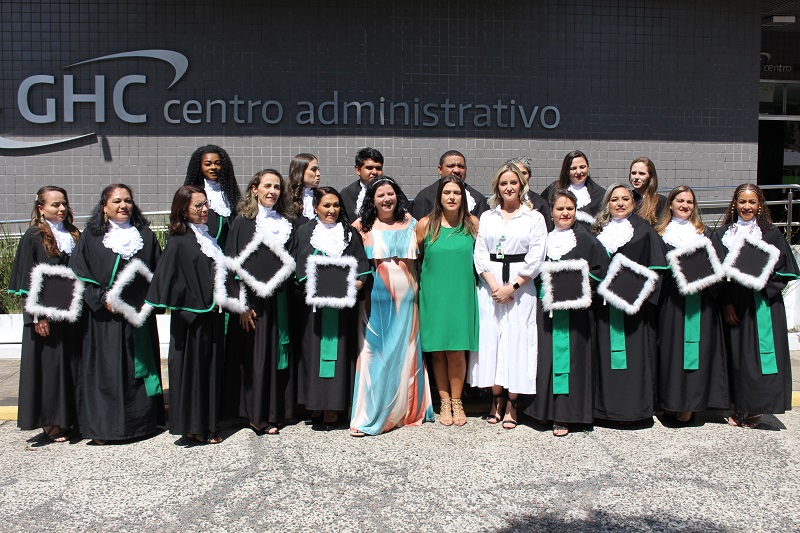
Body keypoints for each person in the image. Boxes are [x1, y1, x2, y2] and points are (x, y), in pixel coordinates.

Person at [70, 184, 164, 444]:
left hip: (137, 316)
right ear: (104, 207)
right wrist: (101, 298)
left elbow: (158, 272)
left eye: (128, 200)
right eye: (117, 201)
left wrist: (149, 301)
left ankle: (142, 425)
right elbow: (79, 273)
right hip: (104, 318)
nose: (124, 205)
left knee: (138, 368)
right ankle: (104, 429)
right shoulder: (91, 237)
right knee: (107, 371)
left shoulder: (145, 235)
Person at [350, 177, 435, 436]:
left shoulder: (413, 224)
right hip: (374, 302)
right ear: (372, 200)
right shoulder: (360, 227)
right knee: (373, 357)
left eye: (391, 194)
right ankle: (369, 415)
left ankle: (406, 411)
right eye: (380, 195)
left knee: (405, 355)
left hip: (408, 302)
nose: (387, 199)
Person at [521, 189, 609, 436]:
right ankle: (542, 412)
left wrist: (577, 282)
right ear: (551, 212)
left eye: (570, 208)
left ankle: (566, 415)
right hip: (545, 312)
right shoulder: (542, 239)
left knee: (572, 362)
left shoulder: (587, 240)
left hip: (575, 315)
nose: (565, 213)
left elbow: (602, 272)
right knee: (545, 359)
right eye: (560, 208)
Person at [145, 186, 225, 444]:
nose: (204, 210)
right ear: (183, 210)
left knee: (209, 371)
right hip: (191, 321)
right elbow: (167, 281)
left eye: (205, 204)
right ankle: (194, 427)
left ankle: (209, 424)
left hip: (212, 315)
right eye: (197, 205)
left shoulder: (208, 237)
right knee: (193, 373)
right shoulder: (178, 242)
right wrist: (192, 307)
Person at [470, 163, 547, 430]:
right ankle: (496, 399)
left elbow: (536, 256)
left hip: (520, 288)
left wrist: (511, 287)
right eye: (504, 183)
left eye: (513, 182)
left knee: (517, 342)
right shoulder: (488, 216)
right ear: (497, 187)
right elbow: (480, 253)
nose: (509, 187)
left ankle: (514, 402)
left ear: (522, 185)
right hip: (490, 286)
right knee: (492, 340)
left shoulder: (533, 218)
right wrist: (495, 286)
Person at [715, 184, 799, 428]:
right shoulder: (722, 235)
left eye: (752, 202)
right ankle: (737, 405)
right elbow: (716, 273)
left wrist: (763, 283)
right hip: (734, 304)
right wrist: (726, 303)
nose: (747, 206)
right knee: (737, 356)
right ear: (734, 204)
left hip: (763, 304)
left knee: (758, 359)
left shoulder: (771, 235)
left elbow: (785, 272)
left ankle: (755, 408)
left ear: (760, 205)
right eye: (742, 201)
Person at [224, 169, 296, 435]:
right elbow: (231, 265)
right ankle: (257, 416)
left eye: (277, 187)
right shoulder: (242, 223)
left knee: (277, 356)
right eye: (267, 186)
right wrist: (242, 306)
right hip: (253, 303)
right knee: (256, 358)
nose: (272, 191)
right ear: (254, 189)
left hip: (280, 300)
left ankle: (275, 413)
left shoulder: (287, 222)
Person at [294, 186, 371, 430]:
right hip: (314, 310)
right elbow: (299, 265)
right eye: (326, 205)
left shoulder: (349, 233)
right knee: (313, 355)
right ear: (316, 207)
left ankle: (334, 408)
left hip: (342, 310)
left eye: (336, 205)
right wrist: (314, 286)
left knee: (339, 356)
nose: (332, 210)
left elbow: (362, 265)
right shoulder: (305, 231)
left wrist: (359, 282)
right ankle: (316, 405)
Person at [8, 186, 81, 443]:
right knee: (50, 369)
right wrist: (37, 317)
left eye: (64, 204)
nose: (61, 209)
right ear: (41, 208)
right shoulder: (34, 236)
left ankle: (68, 418)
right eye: (55, 205)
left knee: (68, 366)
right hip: (45, 315)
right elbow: (27, 278)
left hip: (70, 313)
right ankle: (51, 422)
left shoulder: (73, 234)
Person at [592, 183, 667, 423]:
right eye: (615, 199)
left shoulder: (644, 230)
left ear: (633, 202)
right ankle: (604, 411)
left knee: (634, 360)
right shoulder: (598, 230)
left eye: (625, 198)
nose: (620, 203)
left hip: (634, 311)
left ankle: (632, 411)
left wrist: (636, 294)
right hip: (604, 309)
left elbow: (657, 268)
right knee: (604, 357)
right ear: (608, 203)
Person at [654, 186, 729, 424]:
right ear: (670, 204)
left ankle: (689, 405)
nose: (684, 205)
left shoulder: (705, 234)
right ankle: (671, 401)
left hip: (700, 304)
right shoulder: (659, 234)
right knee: (671, 352)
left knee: (698, 352)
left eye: (689, 202)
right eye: (680, 201)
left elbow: (719, 269)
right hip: (672, 304)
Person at [416, 176, 480, 426]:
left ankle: (457, 400)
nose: (452, 197)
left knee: (456, 352)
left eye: (456, 192)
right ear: (439, 197)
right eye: (447, 193)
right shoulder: (425, 224)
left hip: (461, 295)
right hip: (433, 295)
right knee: (438, 351)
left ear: (463, 197)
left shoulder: (472, 224)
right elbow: (414, 258)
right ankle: (443, 401)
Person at [183, 145, 241, 249]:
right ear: (200, 167)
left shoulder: (231, 193)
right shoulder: (194, 193)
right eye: (208, 164)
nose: (213, 167)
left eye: (217, 163)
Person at [408, 150, 489, 219]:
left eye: (461, 166)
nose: (456, 170)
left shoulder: (478, 200)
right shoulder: (424, 198)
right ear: (440, 169)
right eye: (451, 166)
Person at [542, 150, 605, 227]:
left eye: (582, 167)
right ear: (566, 170)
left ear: (588, 167)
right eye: (573, 168)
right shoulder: (553, 189)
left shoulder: (600, 194)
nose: (578, 172)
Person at [508, 156, 553, 231]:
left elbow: (548, 230)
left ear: (529, 176)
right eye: (516, 173)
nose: (521, 176)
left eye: (524, 173)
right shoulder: (498, 202)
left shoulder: (540, 203)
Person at [341, 147, 384, 221]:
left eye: (378, 168)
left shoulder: (391, 191)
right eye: (369, 168)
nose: (374, 172)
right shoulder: (346, 194)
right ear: (358, 170)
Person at [629, 156, 666, 225]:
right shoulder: (626, 199)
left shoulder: (661, 201)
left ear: (650, 176)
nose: (636, 177)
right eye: (633, 173)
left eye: (641, 173)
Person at [287, 153, 322, 226]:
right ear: (300, 171)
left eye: (318, 169)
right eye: (313, 169)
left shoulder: (321, 196)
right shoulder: (285, 199)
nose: (318, 173)